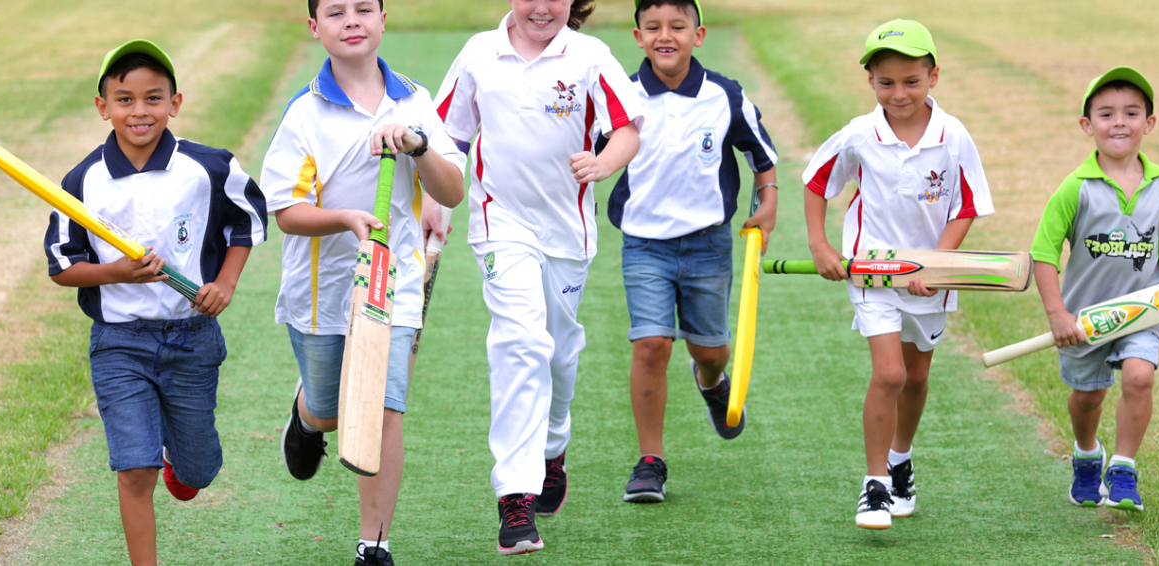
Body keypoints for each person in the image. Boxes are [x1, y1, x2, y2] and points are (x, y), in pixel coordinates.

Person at [45, 39, 267, 565]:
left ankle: (178, 460)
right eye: (124, 99)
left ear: (175, 102)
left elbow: (248, 219)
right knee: (133, 468)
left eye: (153, 98)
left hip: (192, 337)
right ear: (103, 107)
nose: (139, 111)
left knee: (197, 471)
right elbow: (62, 266)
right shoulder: (81, 182)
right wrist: (117, 272)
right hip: (119, 342)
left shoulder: (207, 167)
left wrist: (226, 284)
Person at [434, 0, 643, 555]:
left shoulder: (590, 56)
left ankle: (553, 448)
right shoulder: (479, 53)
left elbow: (627, 129)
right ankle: (516, 497)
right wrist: (438, 202)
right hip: (499, 221)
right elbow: (449, 138)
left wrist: (604, 163)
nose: (542, 6)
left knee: (557, 352)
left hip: (567, 234)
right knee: (521, 342)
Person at [262, 1, 466, 564]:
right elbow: (285, 208)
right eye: (335, 11)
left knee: (382, 409)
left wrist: (419, 146)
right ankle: (307, 416)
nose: (351, 20)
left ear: (383, 20)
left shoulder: (415, 101)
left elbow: (451, 192)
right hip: (322, 295)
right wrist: (346, 220)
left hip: (391, 284)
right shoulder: (305, 113)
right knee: (333, 411)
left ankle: (373, 542)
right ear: (315, 28)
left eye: (363, 9)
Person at [801, 20, 993, 529]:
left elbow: (967, 207)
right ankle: (875, 486)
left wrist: (937, 264)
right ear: (870, 81)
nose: (899, 93)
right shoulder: (860, 133)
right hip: (872, 273)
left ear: (934, 76)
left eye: (912, 80)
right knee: (889, 373)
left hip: (929, 279)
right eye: (886, 82)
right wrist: (820, 244)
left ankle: (900, 458)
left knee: (916, 376)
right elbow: (817, 182)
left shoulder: (954, 136)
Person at [1031, 66, 1159, 513]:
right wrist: (1058, 315)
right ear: (1087, 126)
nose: (1119, 122)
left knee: (1140, 376)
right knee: (1088, 397)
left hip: (1146, 309)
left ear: (1150, 123)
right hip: (1084, 318)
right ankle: (1087, 455)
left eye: (1131, 112)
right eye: (1106, 113)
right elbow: (1044, 254)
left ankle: (1123, 467)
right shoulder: (1076, 188)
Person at [608, 0, 778, 503]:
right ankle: (650, 461)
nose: (666, 36)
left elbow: (760, 156)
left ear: (698, 35)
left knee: (710, 348)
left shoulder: (724, 95)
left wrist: (767, 203)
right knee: (652, 344)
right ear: (637, 37)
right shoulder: (623, 96)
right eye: (653, 27)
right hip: (644, 244)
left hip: (709, 245)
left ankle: (710, 379)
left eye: (677, 26)